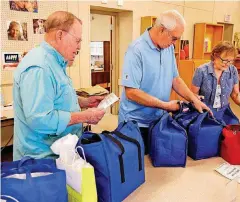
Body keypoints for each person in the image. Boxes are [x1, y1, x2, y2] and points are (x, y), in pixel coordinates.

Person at [13, 11, 105, 160]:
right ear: (60, 35)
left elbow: (55, 96)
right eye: (77, 40)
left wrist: (83, 102)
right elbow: (40, 119)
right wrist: (83, 117)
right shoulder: (40, 67)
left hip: (60, 153)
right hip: (42, 159)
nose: (79, 47)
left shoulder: (54, 62)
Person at [119, 10, 211, 154]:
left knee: (157, 165)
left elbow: (175, 79)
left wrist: (194, 99)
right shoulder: (136, 50)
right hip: (135, 123)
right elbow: (131, 92)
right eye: (174, 38)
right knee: (138, 169)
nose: (175, 43)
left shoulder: (168, 48)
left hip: (158, 121)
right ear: (162, 29)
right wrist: (165, 105)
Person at [191, 41, 240, 116]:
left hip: (223, 111)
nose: (227, 64)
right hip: (204, 111)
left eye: (230, 61)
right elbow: (193, 95)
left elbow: (235, 94)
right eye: (225, 60)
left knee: (234, 126)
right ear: (215, 55)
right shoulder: (201, 71)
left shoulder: (233, 70)